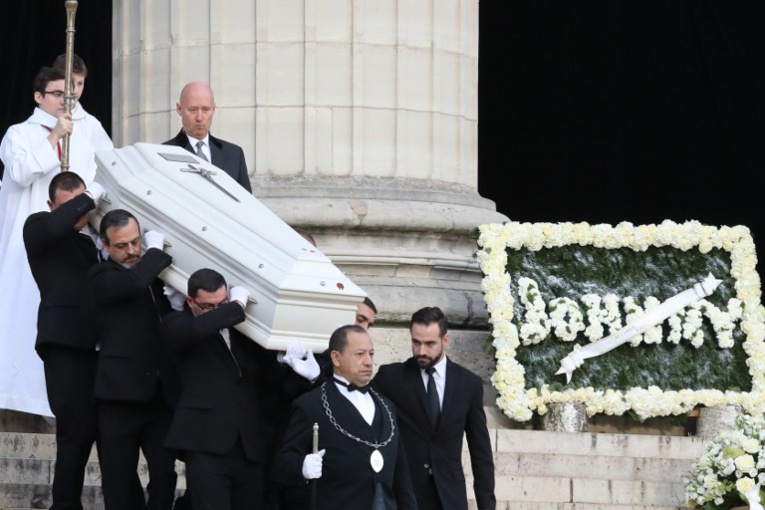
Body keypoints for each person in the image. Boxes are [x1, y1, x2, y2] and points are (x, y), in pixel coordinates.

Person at [0, 65, 97, 417]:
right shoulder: (18, 134)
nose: (63, 100)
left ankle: (52, 405)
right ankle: (13, 402)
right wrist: (54, 137)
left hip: (67, 246)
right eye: (57, 93)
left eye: (67, 95)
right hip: (22, 245)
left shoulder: (83, 140)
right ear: (39, 96)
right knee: (19, 317)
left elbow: (89, 189)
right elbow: (22, 171)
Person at [23, 172, 104, 510]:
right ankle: (65, 504)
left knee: (101, 430)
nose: (78, 212)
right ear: (52, 205)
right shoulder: (40, 225)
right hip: (65, 343)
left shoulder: (95, 238)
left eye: (82, 203)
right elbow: (57, 225)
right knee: (74, 428)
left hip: (103, 347)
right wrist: (89, 199)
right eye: (68, 206)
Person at [88, 209, 178, 510]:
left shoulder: (151, 277)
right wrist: (154, 253)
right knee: (118, 479)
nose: (132, 251)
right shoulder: (100, 276)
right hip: (118, 397)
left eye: (136, 242)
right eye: (122, 246)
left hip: (157, 395)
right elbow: (131, 285)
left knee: (165, 475)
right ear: (105, 245)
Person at [275, 324, 417, 510]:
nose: (368, 361)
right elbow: (283, 462)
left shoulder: (387, 406)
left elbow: (402, 477)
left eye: (371, 354)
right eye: (360, 354)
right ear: (336, 357)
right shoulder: (311, 405)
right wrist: (302, 466)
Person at [372, 306, 496, 510]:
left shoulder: (468, 384)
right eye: (416, 342)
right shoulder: (391, 378)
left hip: (449, 497)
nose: (421, 351)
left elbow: (480, 453)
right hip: (405, 495)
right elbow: (354, 399)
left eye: (430, 344)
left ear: (444, 340)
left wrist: (487, 506)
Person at [161, 269, 265, 509]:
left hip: (248, 445)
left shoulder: (244, 330)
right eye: (209, 307)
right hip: (205, 444)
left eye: (223, 304)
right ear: (190, 301)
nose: (219, 312)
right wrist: (236, 306)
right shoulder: (176, 324)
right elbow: (199, 329)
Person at [163, 82, 251, 192]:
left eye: (205, 109)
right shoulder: (163, 153)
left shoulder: (234, 154)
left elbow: (246, 202)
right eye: (193, 110)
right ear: (179, 109)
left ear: (213, 109)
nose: (199, 118)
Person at [52, 53, 114, 153]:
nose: (75, 90)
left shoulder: (91, 124)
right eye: (71, 82)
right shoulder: (38, 121)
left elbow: (108, 160)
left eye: (80, 83)